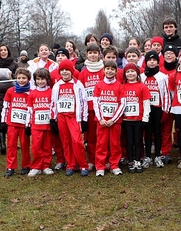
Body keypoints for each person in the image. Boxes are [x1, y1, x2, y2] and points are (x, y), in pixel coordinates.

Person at [51, 59, 89, 177]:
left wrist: (84, 119)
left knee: (77, 141)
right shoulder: (57, 86)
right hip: (62, 117)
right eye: (62, 70)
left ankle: (83, 165)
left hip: (74, 117)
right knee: (66, 141)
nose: (64, 72)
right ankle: (70, 165)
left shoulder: (78, 84)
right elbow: (53, 103)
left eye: (67, 70)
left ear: (71, 71)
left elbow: (84, 102)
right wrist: (53, 118)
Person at [93, 60, 126, 176]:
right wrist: (101, 118)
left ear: (116, 71)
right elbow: (96, 103)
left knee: (115, 144)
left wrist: (113, 120)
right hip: (101, 121)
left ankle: (114, 165)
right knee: (101, 144)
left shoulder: (120, 86)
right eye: (107, 69)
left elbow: (122, 104)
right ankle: (100, 166)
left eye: (112, 69)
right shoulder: (98, 85)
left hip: (114, 122)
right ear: (104, 70)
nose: (110, 71)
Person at [141, 50, 170, 168]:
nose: (152, 62)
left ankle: (158, 155)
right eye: (149, 60)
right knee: (147, 133)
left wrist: (165, 110)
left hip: (158, 108)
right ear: (146, 62)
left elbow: (166, 94)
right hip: (146, 110)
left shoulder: (162, 77)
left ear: (158, 62)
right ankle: (147, 156)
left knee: (158, 132)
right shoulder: (142, 76)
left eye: (154, 60)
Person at [78, 42, 105, 171]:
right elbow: (81, 94)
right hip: (89, 110)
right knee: (91, 137)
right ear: (86, 55)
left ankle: (103, 160)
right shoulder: (83, 73)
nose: (93, 55)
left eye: (95, 53)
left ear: (99, 54)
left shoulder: (104, 70)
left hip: (102, 109)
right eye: (90, 53)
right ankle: (92, 160)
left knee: (103, 136)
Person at [1, 68, 32, 178]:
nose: (21, 80)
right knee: (11, 145)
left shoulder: (30, 92)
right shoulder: (10, 91)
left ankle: (26, 165)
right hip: (12, 124)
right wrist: (3, 121)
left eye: (24, 78)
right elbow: (6, 107)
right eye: (19, 78)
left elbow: (31, 110)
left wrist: (29, 124)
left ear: (28, 79)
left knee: (25, 145)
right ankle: (10, 167)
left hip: (24, 125)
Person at [122, 63, 151, 173]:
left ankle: (138, 160)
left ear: (137, 73)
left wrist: (145, 118)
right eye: (128, 72)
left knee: (138, 141)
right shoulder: (122, 86)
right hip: (127, 119)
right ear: (125, 74)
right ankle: (131, 161)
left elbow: (146, 103)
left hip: (138, 119)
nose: (130, 74)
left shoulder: (142, 87)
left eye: (132, 71)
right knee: (129, 141)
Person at [26, 68, 54, 177]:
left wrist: (53, 121)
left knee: (47, 146)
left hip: (47, 125)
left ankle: (46, 165)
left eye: (43, 79)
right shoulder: (32, 93)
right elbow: (30, 110)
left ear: (47, 80)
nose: (40, 81)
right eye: (38, 79)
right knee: (36, 146)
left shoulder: (51, 92)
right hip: (36, 125)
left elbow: (53, 108)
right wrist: (27, 124)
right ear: (35, 80)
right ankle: (36, 166)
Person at [159, 43, 179, 164]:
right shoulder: (160, 70)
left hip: (178, 104)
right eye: (167, 53)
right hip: (165, 105)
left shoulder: (180, 69)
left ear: (176, 56)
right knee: (165, 129)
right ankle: (165, 151)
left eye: (171, 53)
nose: (169, 55)